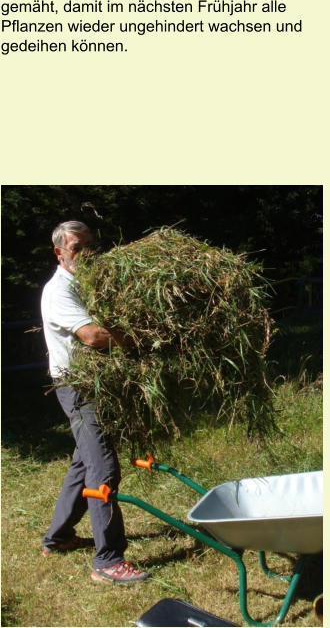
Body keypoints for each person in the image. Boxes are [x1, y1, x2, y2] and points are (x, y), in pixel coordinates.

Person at [41, 220, 148, 584]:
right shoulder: (60, 291)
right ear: (59, 253)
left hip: (93, 384)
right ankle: (108, 561)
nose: (85, 254)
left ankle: (57, 538)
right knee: (103, 467)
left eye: (90, 246)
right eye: (76, 248)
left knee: (82, 463)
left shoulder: (87, 284)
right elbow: (92, 336)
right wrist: (138, 340)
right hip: (78, 387)